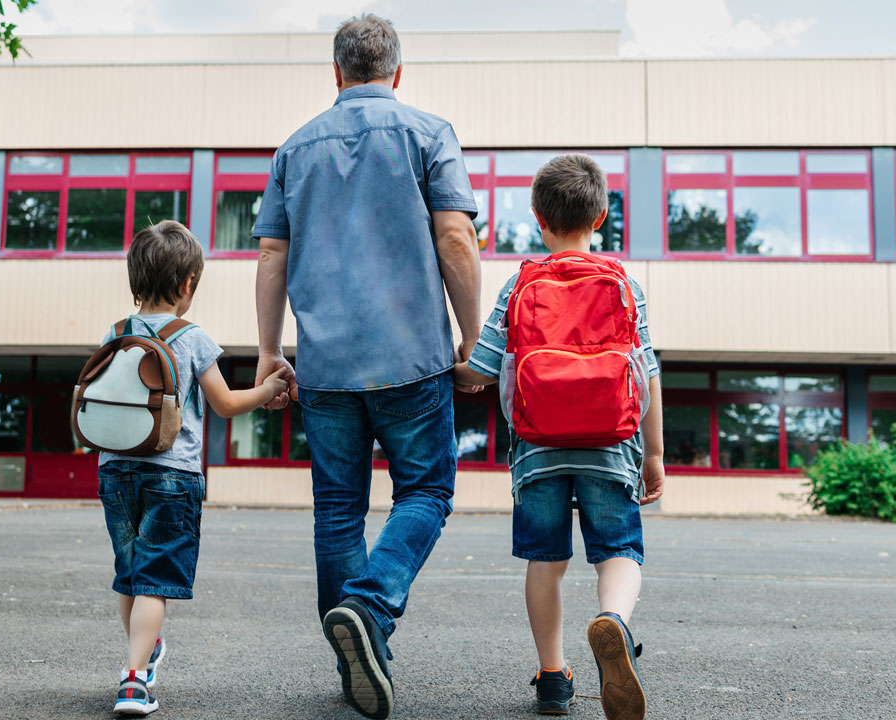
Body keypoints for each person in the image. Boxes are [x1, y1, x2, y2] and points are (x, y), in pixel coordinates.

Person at [251, 14, 481, 720]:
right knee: (426, 493)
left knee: (338, 512)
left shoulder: (294, 148)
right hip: (411, 359)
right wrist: (473, 339)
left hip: (324, 366)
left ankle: (359, 651)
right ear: (398, 73)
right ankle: (370, 609)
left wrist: (269, 352)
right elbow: (455, 238)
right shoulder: (429, 133)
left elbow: (269, 255)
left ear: (337, 73)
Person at [452, 154, 665, 720]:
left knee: (545, 560)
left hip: (538, 449)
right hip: (611, 444)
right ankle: (613, 620)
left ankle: (552, 677)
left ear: (536, 217)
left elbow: (481, 369)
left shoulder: (521, 283)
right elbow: (645, 375)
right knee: (619, 550)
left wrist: (460, 366)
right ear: (600, 216)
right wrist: (657, 456)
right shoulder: (624, 284)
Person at [97, 221, 293, 716]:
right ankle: (134, 681)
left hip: (114, 469)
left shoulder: (116, 333)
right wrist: (270, 391)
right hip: (172, 474)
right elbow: (225, 404)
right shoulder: (192, 337)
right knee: (155, 578)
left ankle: (139, 654)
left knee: (131, 573)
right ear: (188, 285)